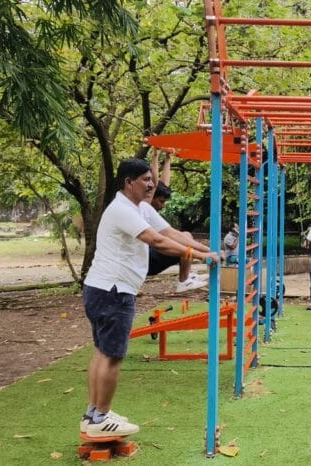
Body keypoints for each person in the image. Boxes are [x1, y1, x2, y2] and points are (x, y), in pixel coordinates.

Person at [80, 159, 218, 438]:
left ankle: (93, 414)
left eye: (151, 179)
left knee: (102, 352)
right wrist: (203, 257)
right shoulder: (122, 209)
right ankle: (100, 418)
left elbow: (173, 234)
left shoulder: (140, 207)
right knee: (112, 356)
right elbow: (157, 241)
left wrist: (211, 250)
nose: (152, 184)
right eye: (145, 179)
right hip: (114, 291)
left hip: (100, 288)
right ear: (128, 182)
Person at [144, 151, 211, 293]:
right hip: (147, 260)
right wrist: (155, 156)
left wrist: (168, 158)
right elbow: (154, 184)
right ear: (151, 196)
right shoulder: (145, 205)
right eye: (161, 201)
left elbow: (163, 184)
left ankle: (187, 275)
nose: (163, 205)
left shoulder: (150, 207)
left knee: (186, 234)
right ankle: (183, 281)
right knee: (183, 241)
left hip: (150, 255)